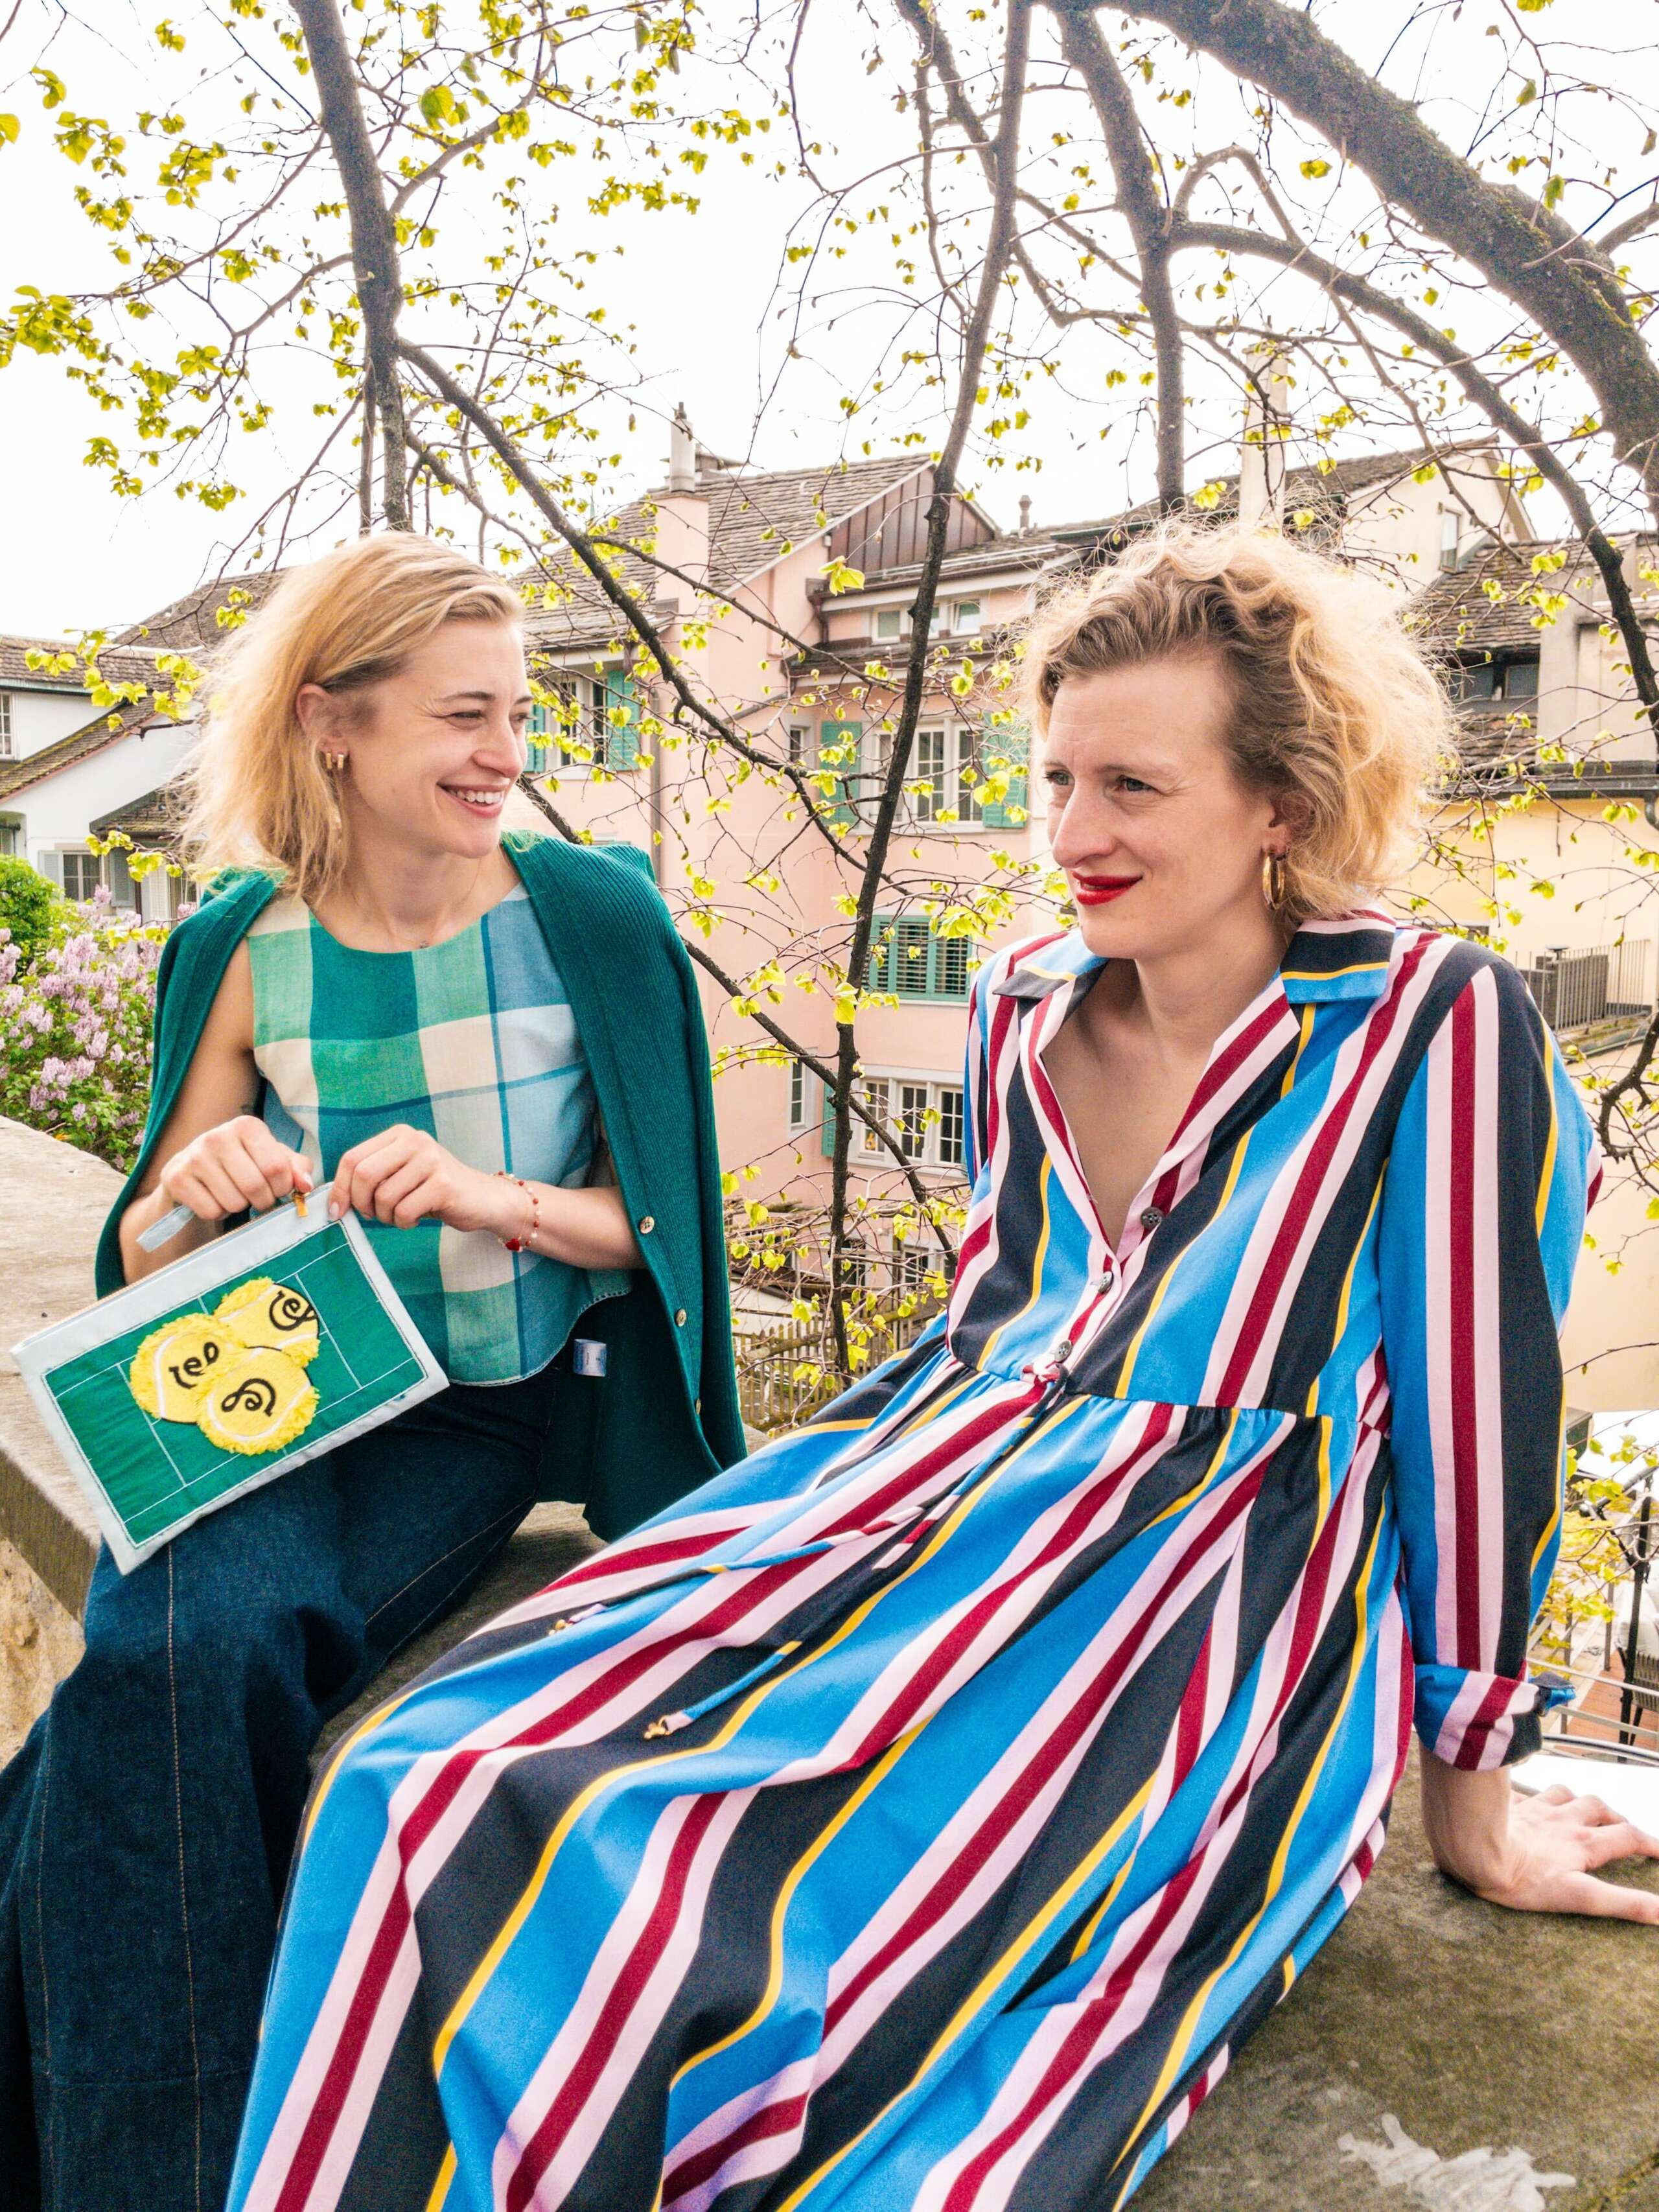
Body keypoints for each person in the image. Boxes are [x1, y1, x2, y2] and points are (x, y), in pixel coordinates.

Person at [229, 526, 1651, 2212]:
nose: (1070, 834)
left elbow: (1486, 1425)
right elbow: (988, 1328)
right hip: (929, 1500)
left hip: (1204, 1601)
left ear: (1283, 802)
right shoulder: (1022, 1001)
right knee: (426, 1783)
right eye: (1053, 778)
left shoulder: (1435, 1022)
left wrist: (1471, 1794)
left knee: (792, 1956)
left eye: (1131, 785)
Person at [0, 534, 745, 2212]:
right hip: (267, 1383)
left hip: (475, 1412)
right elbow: (138, 1252)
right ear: (333, 724)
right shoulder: (245, 943)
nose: (509, 755)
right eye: (465, 717)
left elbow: (669, 1236)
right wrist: (199, 1194)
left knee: (179, 1666)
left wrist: (494, 1198)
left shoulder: (593, 919)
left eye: (518, 714)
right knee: (168, 1663)